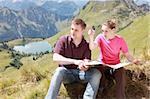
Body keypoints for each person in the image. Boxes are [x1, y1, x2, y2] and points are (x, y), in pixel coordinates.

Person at [45, 18, 101, 99]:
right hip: (67, 73)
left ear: (82, 31)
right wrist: (75, 61)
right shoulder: (63, 40)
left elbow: (86, 61)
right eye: (72, 29)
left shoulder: (86, 45)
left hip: (81, 74)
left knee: (96, 74)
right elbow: (55, 58)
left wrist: (85, 66)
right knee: (58, 71)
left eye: (76, 30)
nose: (73, 32)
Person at [88, 19, 141, 99]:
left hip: (115, 66)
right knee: (98, 67)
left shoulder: (120, 40)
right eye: (102, 31)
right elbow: (92, 47)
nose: (103, 33)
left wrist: (134, 60)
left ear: (113, 30)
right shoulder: (100, 37)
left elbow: (127, 54)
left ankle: (120, 97)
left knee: (121, 71)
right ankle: (101, 90)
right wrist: (91, 37)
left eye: (106, 31)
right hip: (103, 65)